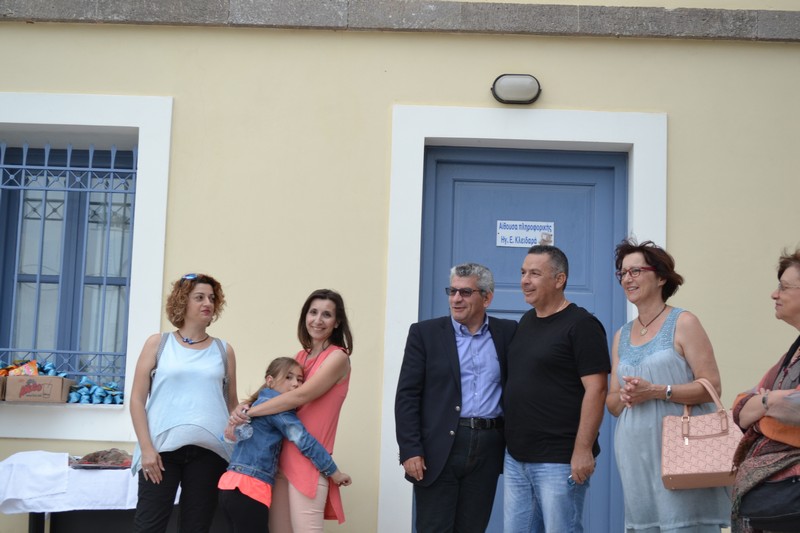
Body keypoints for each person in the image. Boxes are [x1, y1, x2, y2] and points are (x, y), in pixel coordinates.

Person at [606, 239, 730, 532]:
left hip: (682, 453)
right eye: (622, 273)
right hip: (635, 457)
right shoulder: (621, 335)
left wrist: (657, 391)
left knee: (684, 526)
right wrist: (626, 394)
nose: (627, 279)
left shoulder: (684, 322)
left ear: (661, 277)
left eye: (636, 271)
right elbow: (612, 403)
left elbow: (711, 387)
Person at [395, 262, 517, 533]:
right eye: (452, 291)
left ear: (487, 297)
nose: (456, 299)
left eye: (465, 292)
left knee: (473, 527)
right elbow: (407, 396)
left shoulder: (508, 332)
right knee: (434, 528)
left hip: (488, 447)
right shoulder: (425, 334)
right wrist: (410, 449)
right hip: (438, 449)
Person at [504, 245, 610, 533]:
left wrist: (583, 450)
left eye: (534, 274)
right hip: (517, 459)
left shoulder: (582, 325)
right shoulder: (527, 321)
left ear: (559, 279)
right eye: (523, 273)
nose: (525, 280)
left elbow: (597, 390)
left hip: (559, 460)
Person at [229, 288, 353, 532]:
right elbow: (272, 391)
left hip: (309, 463)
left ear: (337, 322)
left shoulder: (338, 357)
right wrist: (245, 407)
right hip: (278, 462)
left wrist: (251, 412)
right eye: (313, 312)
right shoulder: (300, 357)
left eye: (327, 315)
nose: (318, 320)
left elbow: (301, 395)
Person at [129, 273, 239, 532]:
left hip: (210, 454)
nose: (207, 303)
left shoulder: (224, 350)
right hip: (160, 452)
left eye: (211, 298)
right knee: (148, 527)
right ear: (182, 302)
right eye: (199, 297)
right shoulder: (158, 344)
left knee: (196, 528)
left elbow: (231, 403)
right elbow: (136, 399)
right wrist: (146, 448)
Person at [218, 357, 351, 533]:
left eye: (300, 379)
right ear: (270, 381)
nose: (296, 384)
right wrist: (334, 472)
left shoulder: (253, 406)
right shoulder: (278, 410)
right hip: (250, 488)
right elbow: (304, 441)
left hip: (228, 486)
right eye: (288, 377)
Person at [731, 248, 800, 532]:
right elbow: (740, 407)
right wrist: (770, 402)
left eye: (783, 287)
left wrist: (763, 410)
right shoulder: (792, 354)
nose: (774, 294)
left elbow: (795, 409)